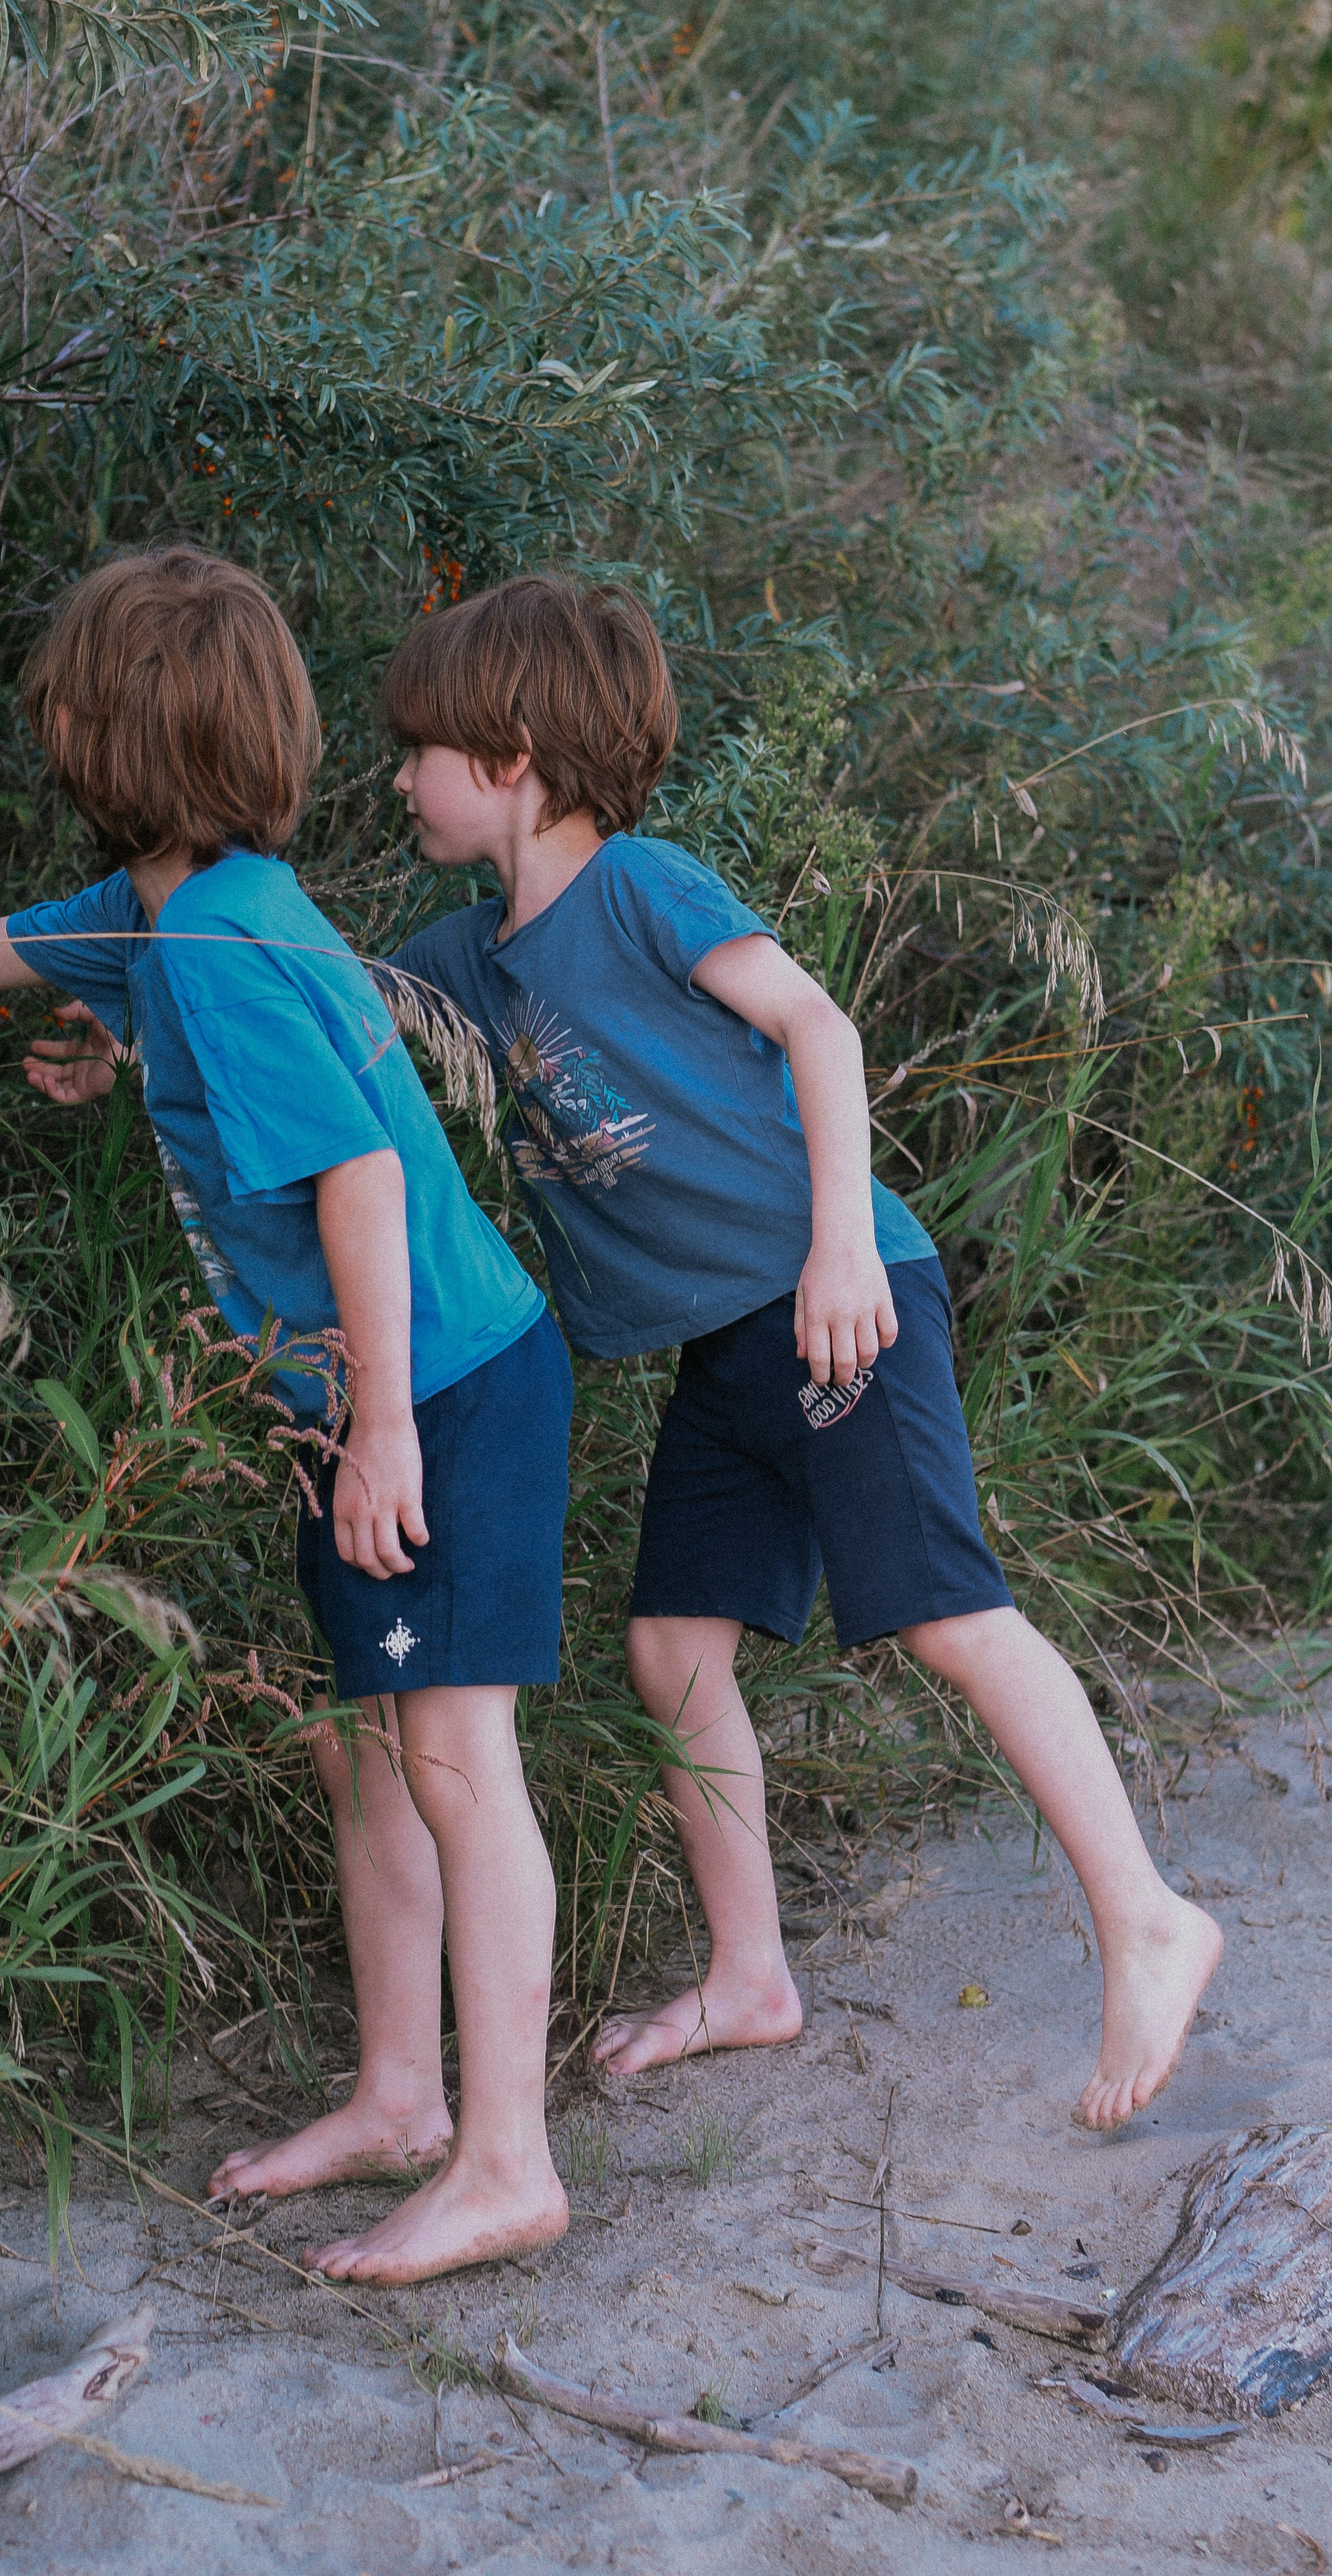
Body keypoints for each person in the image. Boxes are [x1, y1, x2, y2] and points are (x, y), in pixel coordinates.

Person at [0, 547, 574, 2282]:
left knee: (449, 1759)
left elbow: (357, 1172)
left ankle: (508, 2158)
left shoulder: (203, 940)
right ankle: (397, 2097)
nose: (41, 707)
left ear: (100, 727)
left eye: (58, 688)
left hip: (436, 1386)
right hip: (373, 1389)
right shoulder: (177, 910)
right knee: (367, 1745)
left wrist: (384, 1430)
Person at [372, 574, 1222, 2134]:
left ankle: (1144, 1909)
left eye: (418, 748)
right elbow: (321, 1021)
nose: (398, 778)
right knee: (672, 1645)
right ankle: (750, 1970)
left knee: (944, 1612)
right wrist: (125, 1032)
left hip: (842, 1295)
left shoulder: (641, 887)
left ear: (510, 750)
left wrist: (840, 1241)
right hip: (726, 1344)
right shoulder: (468, 956)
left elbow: (816, 1030)